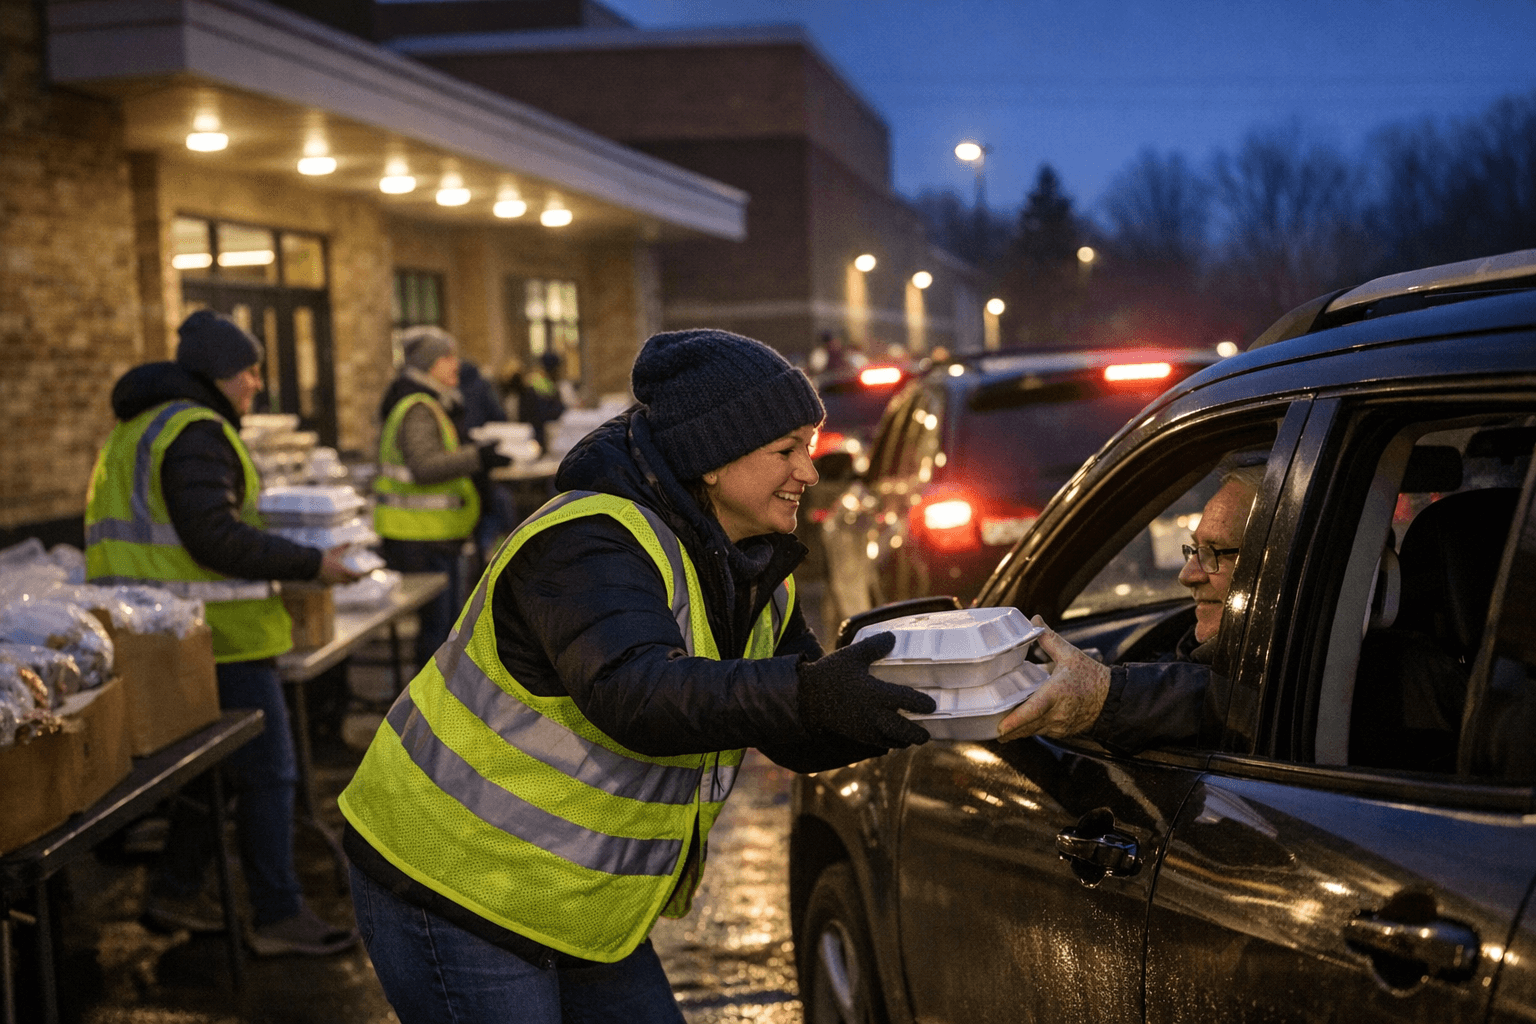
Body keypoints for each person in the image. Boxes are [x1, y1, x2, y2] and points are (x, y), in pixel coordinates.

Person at [339, 327, 936, 1024]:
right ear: (712, 461)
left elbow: (794, 725)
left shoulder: (754, 568)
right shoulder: (591, 540)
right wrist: (811, 692)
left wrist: (911, 706)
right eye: (786, 450)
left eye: (810, 445)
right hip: (452, 882)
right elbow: (637, 695)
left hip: (574, 904)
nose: (808, 471)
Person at [84, 309, 363, 956]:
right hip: (217, 637)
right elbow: (214, 537)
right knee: (268, 774)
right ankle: (277, 914)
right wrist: (312, 563)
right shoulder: (195, 432)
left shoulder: (140, 428)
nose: (256, 384)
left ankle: (176, 890)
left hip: (159, 635)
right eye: (248, 371)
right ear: (217, 374)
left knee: (209, 770)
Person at [997, 463, 1266, 752]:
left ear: (1277, 564)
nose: (1187, 575)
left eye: (1214, 552)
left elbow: (1248, 708)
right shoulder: (1216, 647)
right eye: (1195, 551)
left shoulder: (1289, 678)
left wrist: (1105, 698)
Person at [374, 326, 512, 672]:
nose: (456, 363)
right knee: (437, 632)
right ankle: (429, 700)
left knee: (443, 629)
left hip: (433, 534)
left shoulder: (434, 402)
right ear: (428, 364)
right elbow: (424, 466)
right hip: (421, 536)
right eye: (447, 357)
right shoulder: (418, 407)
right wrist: (478, 457)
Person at [516, 349, 567, 451]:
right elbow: (545, 413)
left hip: (537, 434)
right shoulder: (539, 387)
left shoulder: (541, 384)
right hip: (535, 436)